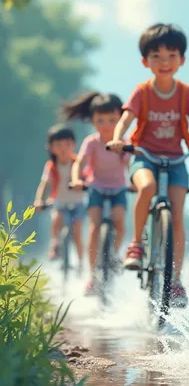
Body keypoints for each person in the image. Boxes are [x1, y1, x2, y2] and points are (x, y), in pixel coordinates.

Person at [107, 23, 189, 308]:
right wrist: (118, 139)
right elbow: (126, 120)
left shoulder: (185, 92)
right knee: (148, 187)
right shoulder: (142, 92)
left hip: (176, 159)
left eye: (171, 55)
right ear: (145, 62)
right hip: (144, 156)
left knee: (177, 214)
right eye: (156, 56)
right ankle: (137, 244)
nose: (164, 62)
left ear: (182, 60)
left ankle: (175, 281)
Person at [64, 92, 130, 296]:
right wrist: (76, 179)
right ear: (92, 120)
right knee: (93, 227)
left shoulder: (123, 143)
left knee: (119, 223)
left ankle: (113, 256)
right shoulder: (91, 142)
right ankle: (92, 276)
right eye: (100, 120)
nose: (106, 125)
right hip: (96, 188)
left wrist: (135, 182)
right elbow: (80, 163)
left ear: (120, 120)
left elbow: (130, 165)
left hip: (118, 188)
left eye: (112, 120)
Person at [34, 124, 85, 267]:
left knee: (77, 233)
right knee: (57, 218)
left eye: (67, 144)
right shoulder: (51, 166)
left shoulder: (78, 163)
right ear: (51, 147)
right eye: (58, 145)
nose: (63, 148)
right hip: (58, 201)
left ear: (73, 145)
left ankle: (81, 263)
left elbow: (88, 178)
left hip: (78, 202)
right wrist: (39, 200)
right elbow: (44, 185)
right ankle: (55, 243)